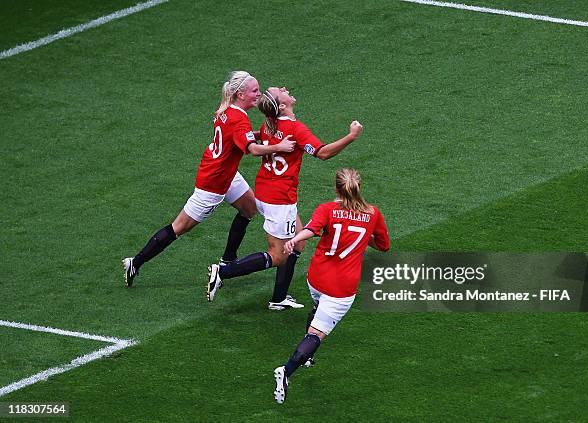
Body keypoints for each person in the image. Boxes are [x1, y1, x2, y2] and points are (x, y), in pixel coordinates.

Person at [122, 72, 295, 287]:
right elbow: (252, 149)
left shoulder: (228, 110)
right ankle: (135, 262)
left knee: (249, 209)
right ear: (240, 94)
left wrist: (263, 134)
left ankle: (228, 260)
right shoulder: (239, 119)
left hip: (225, 173)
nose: (259, 94)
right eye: (254, 91)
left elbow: (239, 137)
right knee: (179, 227)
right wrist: (278, 146)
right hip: (213, 183)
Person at [206, 87, 363, 306]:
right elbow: (323, 153)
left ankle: (279, 298)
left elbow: (259, 137)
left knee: (298, 243)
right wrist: (351, 136)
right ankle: (224, 272)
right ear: (281, 105)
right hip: (280, 200)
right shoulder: (294, 129)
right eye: (280, 91)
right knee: (279, 254)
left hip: (264, 192)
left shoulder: (269, 124)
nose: (284, 89)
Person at [272, 168, 390, 404]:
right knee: (317, 334)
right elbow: (384, 246)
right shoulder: (373, 214)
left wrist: (294, 240)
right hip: (342, 288)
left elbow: (311, 229)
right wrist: (363, 237)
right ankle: (286, 371)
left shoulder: (327, 209)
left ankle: (305, 359)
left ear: (336, 189)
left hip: (316, 278)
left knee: (318, 306)